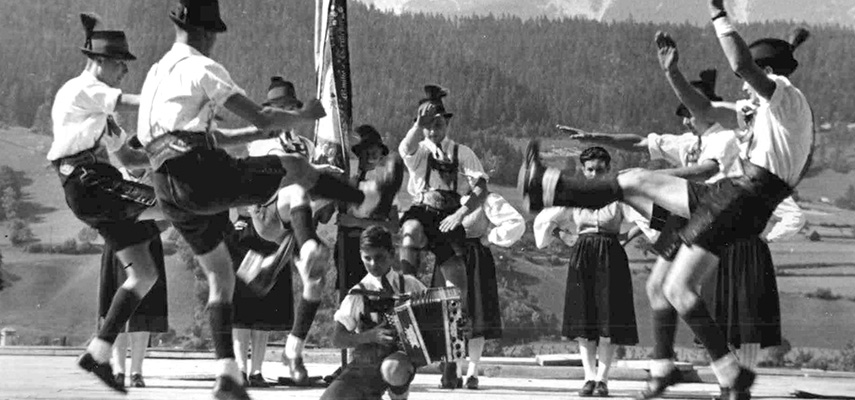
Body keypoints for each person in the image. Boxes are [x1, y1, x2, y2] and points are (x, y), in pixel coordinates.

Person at [519, 10, 813, 398]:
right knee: (662, 282)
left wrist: (718, 11)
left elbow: (741, 63)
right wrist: (672, 73)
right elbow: (705, 110)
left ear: (768, 73)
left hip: (740, 196)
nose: (741, 86)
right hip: (732, 199)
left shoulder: (785, 99)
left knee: (650, 214)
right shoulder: (761, 113)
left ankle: (549, 187)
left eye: (747, 82)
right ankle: (686, 371)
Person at [135, 1, 404, 398]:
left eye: (289, 109)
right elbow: (260, 120)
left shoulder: (157, 72)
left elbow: (208, 138)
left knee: (224, 276)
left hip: (169, 182)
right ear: (209, 34)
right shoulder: (203, 68)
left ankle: (233, 373)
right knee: (295, 174)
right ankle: (358, 198)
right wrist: (308, 115)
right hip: (239, 198)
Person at [561, 68, 803, 370]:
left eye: (689, 113)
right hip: (692, 220)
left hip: (721, 217)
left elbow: (705, 171)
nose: (685, 121)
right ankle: (671, 365)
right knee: (662, 287)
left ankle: (728, 376)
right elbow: (641, 142)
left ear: (705, 111)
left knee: (732, 311)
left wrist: (650, 178)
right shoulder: (691, 141)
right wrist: (599, 137)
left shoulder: (726, 138)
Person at [48, 13, 161, 393]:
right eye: (120, 64)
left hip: (96, 183)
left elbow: (128, 160)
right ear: (99, 62)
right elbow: (135, 101)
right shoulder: (82, 90)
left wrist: (163, 156)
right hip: (87, 181)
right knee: (178, 205)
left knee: (144, 273)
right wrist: (180, 104)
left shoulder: (101, 109)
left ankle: (97, 353)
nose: (125, 70)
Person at [533, 147, 654, 397]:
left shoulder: (619, 197)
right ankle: (589, 378)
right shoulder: (574, 197)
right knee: (584, 319)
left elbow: (647, 218)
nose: (595, 174)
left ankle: (603, 379)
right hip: (583, 255)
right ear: (583, 170)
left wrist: (625, 237)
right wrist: (563, 235)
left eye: (600, 169)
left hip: (611, 255)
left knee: (608, 320)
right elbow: (544, 221)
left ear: (608, 170)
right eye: (590, 170)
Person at [397, 84, 487, 387]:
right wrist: (417, 125)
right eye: (428, 125)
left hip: (449, 218)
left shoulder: (462, 152)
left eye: (438, 124)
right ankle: (403, 290)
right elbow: (404, 149)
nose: (433, 130)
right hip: (423, 210)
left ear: (446, 124)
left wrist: (461, 213)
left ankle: (450, 364)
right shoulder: (419, 150)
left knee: (456, 292)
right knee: (409, 231)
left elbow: (480, 188)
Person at [434, 174, 525, 390]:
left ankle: (472, 372)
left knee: (476, 314)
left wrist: (491, 236)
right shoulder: (442, 198)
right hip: (447, 257)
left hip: (474, 258)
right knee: (450, 314)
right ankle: (453, 370)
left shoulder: (488, 200)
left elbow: (516, 223)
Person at [320, 225, 426, 400]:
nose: (373, 264)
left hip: (398, 362)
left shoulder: (410, 285)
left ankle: (398, 395)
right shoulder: (358, 293)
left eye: (379, 257)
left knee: (392, 369)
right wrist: (370, 336)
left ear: (392, 254)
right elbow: (337, 338)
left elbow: (438, 315)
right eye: (367, 258)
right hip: (365, 366)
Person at [98, 169, 169, 390]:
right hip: (118, 246)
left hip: (148, 244)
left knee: (143, 310)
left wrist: (152, 228)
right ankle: (119, 370)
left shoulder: (157, 180)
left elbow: (172, 215)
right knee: (119, 309)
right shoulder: (112, 179)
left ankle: (137, 371)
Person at [228, 212, 293, 388]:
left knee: (263, 317)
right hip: (243, 238)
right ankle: (240, 369)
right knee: (240, 315)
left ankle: (256, 371)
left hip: (270, 234)